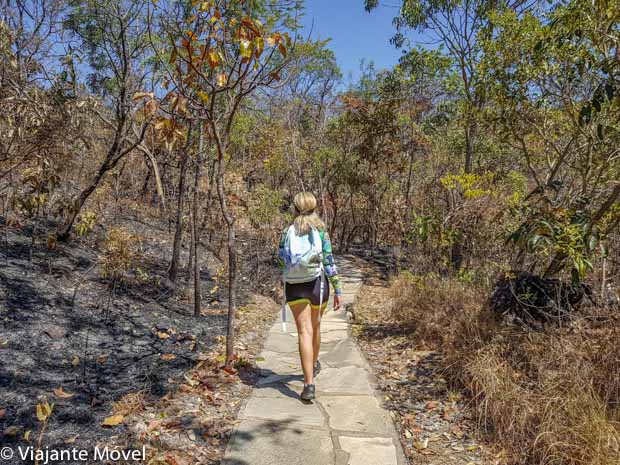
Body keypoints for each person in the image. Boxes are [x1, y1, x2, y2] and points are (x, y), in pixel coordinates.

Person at [278, 192, 342, 401]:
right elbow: (329, 260)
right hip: (317, 285)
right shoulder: (321, 231)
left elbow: (281, 261)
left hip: (295, 288)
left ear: (295, 209)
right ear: (315, 208)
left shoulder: (287, 232)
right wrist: (338, 289)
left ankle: (308, 384)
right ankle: (313, 365)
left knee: (303, 332)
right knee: (315, 327)